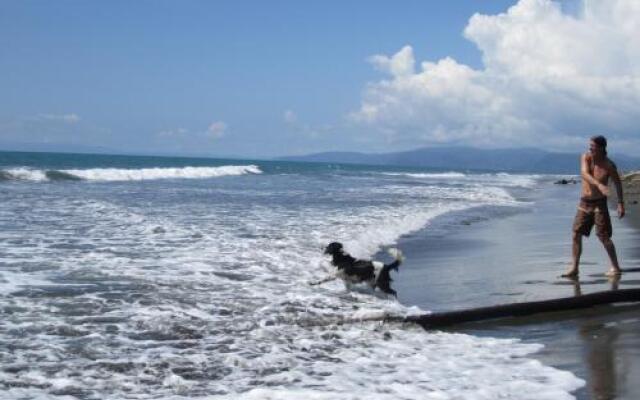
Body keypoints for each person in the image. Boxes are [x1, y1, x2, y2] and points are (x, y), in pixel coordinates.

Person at [563, 135, 625, 278]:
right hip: (584, 202)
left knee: (603, 236)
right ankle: (574, 267)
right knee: (576, 233)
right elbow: (584, 173)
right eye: (590, 145)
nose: (590, 148)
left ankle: (615, 267)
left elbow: (617, 183)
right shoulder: (586, 157)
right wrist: (599, 185)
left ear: (602, 148)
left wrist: (621, 203)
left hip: (599, 203)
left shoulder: (609, 165)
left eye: (593, 146)